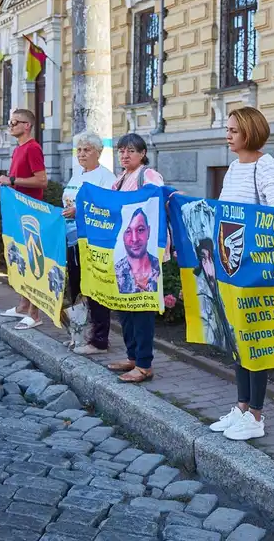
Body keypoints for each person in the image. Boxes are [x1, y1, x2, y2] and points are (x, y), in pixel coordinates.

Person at [203, 107, 274, 442]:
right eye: (227, 129)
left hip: (253, 266)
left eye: (233, 130)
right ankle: (240, 407)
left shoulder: (264, 164)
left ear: (250, 132)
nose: (228, 135)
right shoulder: (234, 168)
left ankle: (256, 415)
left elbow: (272, 200)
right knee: (236, 340)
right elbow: (224, 209)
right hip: (229, 263)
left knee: (254, 340)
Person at [105, 133, 166, 384]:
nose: (125, 155)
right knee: (125, 309)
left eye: (130, 150)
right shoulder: (119, 180)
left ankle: (144, 364)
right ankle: (132, 356)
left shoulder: (148, 175)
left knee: (141, 309)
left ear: (142, 154)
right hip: (123, 255)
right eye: (121, 151)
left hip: (144, 257)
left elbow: (156, 200)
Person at [61, 131, 117, 355]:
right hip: (73, 240)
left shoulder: (106, 177)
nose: (82, 154)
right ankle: (79, 334)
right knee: (77, 288)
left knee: (96, 291)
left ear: (99, 152)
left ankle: (100, 339)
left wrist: (78, 211)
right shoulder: (78, 175)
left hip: (93, 242)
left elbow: (108, 209)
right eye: (80, 150)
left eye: (87, 150)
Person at [0, 109, 48, 329]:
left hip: (31, 213)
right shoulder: (19, 149)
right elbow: (16, 180)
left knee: (32, 261)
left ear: (27, 125)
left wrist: (13, 179)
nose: (11, 125)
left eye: (15, 122)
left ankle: (35, 314)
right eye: (10, 121)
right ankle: (22, 306)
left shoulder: (33, 148)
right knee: (22, 262)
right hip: (19, 210)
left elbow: (42, 181)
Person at [115, 209, 160, 293]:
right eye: (128, 231)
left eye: (140, 230)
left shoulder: (160, 266)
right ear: (122, 235)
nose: (135, 239)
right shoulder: (114, 273)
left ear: (149, 231)